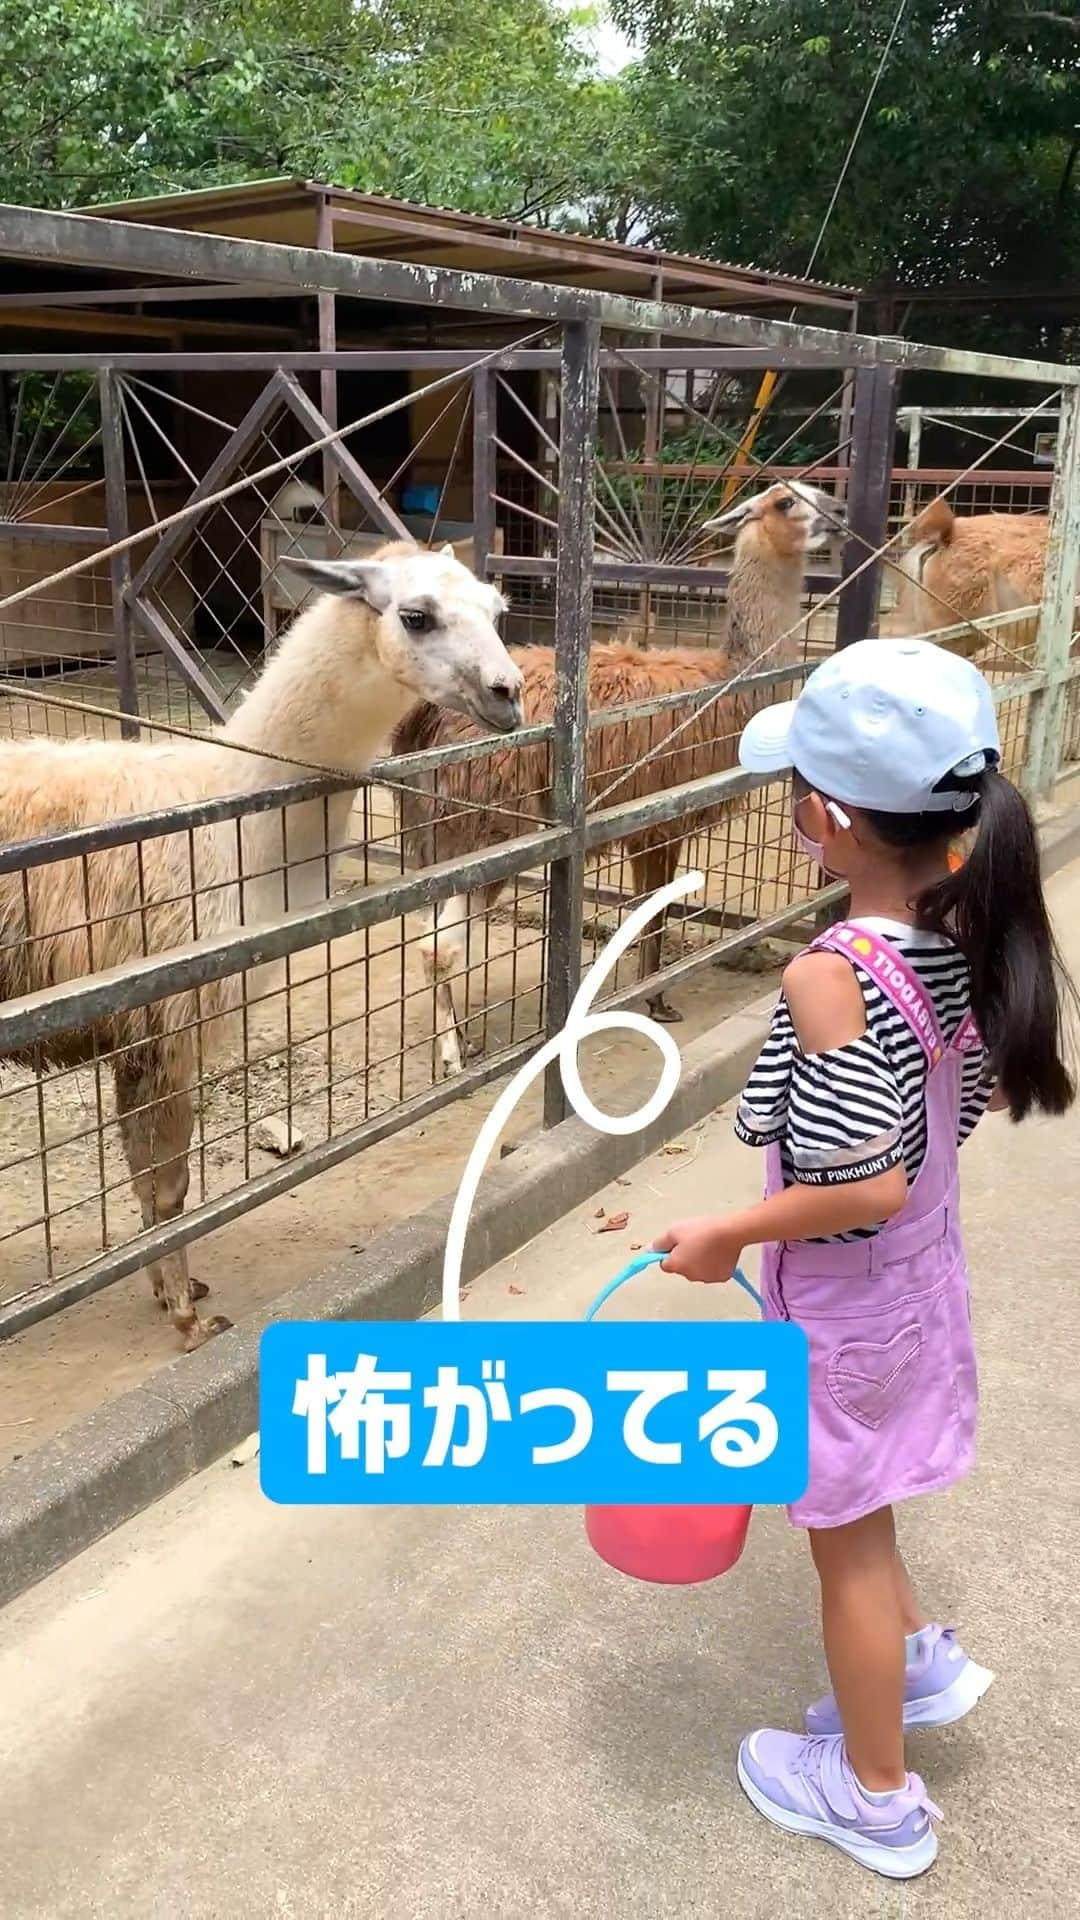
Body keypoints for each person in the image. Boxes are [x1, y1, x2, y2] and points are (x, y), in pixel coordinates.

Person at [653, 638, 1076, 1881]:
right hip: (919, 1289)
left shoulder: (833, 977)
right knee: (871, 1502)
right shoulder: (961, 936)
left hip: (851, 1309)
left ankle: (876, 1794)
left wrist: (725, 1231)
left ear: (824, 820)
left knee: (839, 1533)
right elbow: (940, 1123)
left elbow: (864, 1180)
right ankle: (915, 1664)